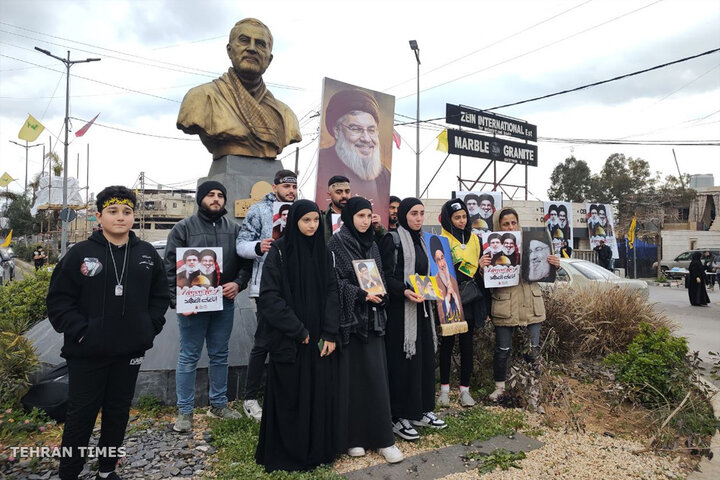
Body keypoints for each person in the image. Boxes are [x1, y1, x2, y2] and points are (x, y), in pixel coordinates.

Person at [47, 186, 170, 480]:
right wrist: (81, 332)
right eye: (113, 212)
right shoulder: (81, 253)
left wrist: (148, 329)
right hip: (87, 352)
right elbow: (60, 300)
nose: (120, 217)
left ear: (134, 216)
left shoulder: (147, 254)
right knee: (81, 416)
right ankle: (69, 472)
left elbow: (159, 297)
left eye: (127, 212)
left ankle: (106, 470)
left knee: (117, 414)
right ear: (99, 216)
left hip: (129, 352)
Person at [255, 200, 340, 472]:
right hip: (290, 339)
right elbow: (269, 298)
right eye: (306, 221)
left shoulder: (323, 252)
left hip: (318, 340)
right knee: (290, 395)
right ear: (294, 222)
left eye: (316, 220)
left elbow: (331, 292)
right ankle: (288, 453)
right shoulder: (279, 252)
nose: (312, 226)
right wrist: (298, 330)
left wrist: (329, 332)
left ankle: (317, 450)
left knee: (318, 392)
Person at [165, 180, 250, 432]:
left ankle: (219, 404)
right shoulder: (183, 228)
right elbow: (170, 268)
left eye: (220, 195)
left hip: (223, 301)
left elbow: (247, 263)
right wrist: (178, 300)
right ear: (200, 198)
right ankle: (185, 412)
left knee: (220, 354)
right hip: (192, 305)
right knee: (189, 356)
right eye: (210, 195)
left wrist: (238, 284)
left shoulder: (235, 229)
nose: (216, 199)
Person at [327, 197, 404, 464]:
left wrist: (379, 295)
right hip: (350, 322)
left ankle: (383, 439)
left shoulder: (372, 244)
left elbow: (379, 277)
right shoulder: (335, 244)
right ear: (349, 217)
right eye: (359, 215)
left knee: (375, 379)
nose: (364, 220)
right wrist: (359, 295)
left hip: (373, 321)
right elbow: (334, 283)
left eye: (368, 215)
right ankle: (353, 438)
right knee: (351, 381)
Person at [177, 18, 301, 159]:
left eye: (260, 44)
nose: (252, 49)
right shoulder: (202, 97)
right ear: (230, 51)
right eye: (244, 40)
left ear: (269, 59)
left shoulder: (285, 115)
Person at [379, 197, 446, 442]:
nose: (418, 218)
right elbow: (385, 276)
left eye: (421, 213)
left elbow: (428, 273)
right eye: (413, 213)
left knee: (424, 360)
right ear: (403, 215)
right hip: (400, 312)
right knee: (402, 363)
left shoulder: (423, 240)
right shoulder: (392, 239)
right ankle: (399, 416)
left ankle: (422, 410)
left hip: (422, 310)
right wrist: (404, 290)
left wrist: (433, 289)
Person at [480, 207, 560, 411]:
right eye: (505, 224)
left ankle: (533, 394)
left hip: (531, 304)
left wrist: (553, 265)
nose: (510, 226)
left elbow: (546, 275)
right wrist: (482, 267)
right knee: (502, 350)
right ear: (499, 225)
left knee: (533, 352)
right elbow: (485, 282)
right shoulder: (491, 246)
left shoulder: (534, 244)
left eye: (513, 222)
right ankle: (500, 388)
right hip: (504, 303)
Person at [236, 169, 297, 421]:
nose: (291, 191)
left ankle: (285, 393)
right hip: (266, 287)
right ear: (275, 187)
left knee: (291, 340)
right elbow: (241, 244)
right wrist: (258, 247)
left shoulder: (302, 209)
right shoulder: (259, 210)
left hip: (295, 287)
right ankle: (250, 398)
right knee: (264, 341)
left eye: (294, 187)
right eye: (286, 187)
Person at [438, 199, 490, 408]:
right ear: (449, 219)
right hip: (449, 297)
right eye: (456, 217)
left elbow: (481, 274)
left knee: (467, 344)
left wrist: (481, 268)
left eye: (464, 217)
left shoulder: (476, 239)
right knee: (447, 344)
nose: (461, 221)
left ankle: (465, 391)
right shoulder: (442, 238)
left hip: (470, 298)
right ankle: (444, 390)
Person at [315, 89, 391, 226]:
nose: (366, 138)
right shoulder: (322, 164)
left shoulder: (384, 175)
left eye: (371, 130)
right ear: (337, 131)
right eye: (356, 129)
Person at [322, 175, 386, 243]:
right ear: (329, 194)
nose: (344, 195)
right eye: (338, 192)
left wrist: (378, 228)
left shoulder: (363, 216)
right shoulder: (322, 219)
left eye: (347, 191)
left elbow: (384, 243)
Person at [429, 235, 462, 324]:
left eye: (442, 258)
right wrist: (447, 298)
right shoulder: (435, 282)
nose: (442, 264)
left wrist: (453, 293)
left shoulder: (453, 280)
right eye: (438, 260)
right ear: (435, 262)